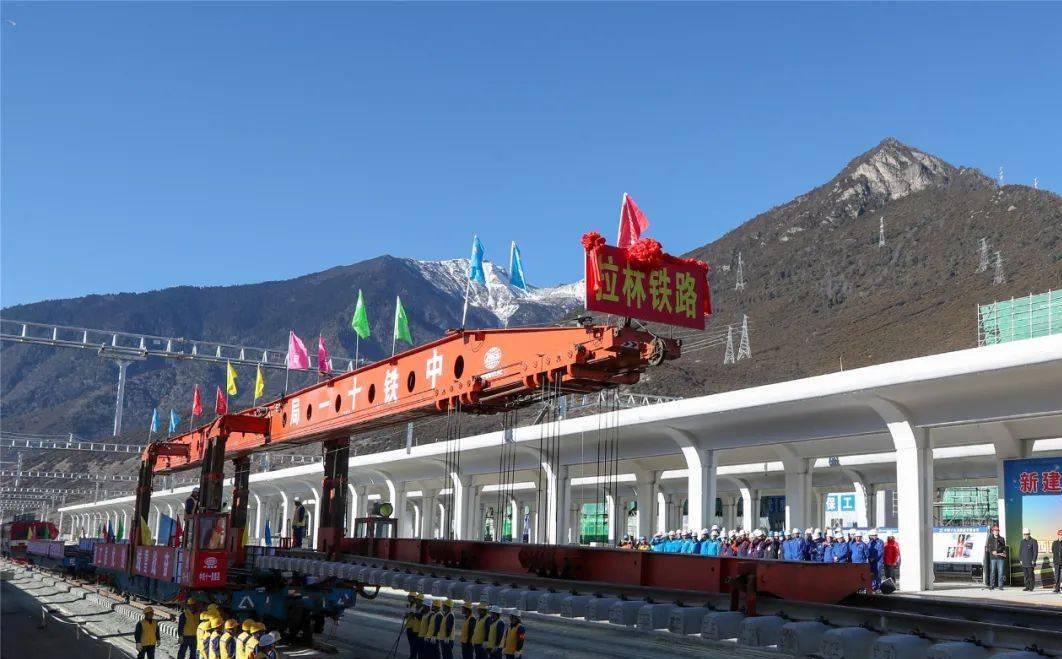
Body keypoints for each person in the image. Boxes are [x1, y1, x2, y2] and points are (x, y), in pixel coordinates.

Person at [404, 594, 424, 659]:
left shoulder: (419, 607)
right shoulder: (411, 605)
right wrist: (407, 614)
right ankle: (412, 657)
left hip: (417, 630)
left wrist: (413, 614)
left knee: (415, 647)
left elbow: (418, 617)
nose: (417, 601)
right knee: (412, 646)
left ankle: (413, 657)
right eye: (417, 600)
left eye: (419, 600)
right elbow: (409, 615)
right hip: (410, 628)